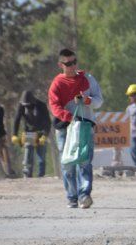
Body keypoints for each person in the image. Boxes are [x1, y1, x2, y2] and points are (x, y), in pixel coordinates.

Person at [48, 49, 103, 209]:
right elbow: (54, 106)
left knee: (84, 161)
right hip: (65, 128)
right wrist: (68, 117)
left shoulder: (87, 79)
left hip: (84, 126)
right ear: (61, 65)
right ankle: (72, 197)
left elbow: (99, 101)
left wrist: (87, 100)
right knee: (67, 163)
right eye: (68, 64)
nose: (72, 66)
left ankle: (84, 195)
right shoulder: (57, 84)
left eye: (74, 62)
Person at [12, 90, 51, 177]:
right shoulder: (21, 106)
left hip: (41, 132)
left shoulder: (41, 105)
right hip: (29, 133)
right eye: (25, 105)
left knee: (41, 156)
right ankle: (27, 173)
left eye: (28, 104)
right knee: (28, 152)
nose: (27, 106)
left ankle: (41, 175)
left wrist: (45, 135)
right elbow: (17, 120)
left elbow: (48, 122)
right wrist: (14, 134)